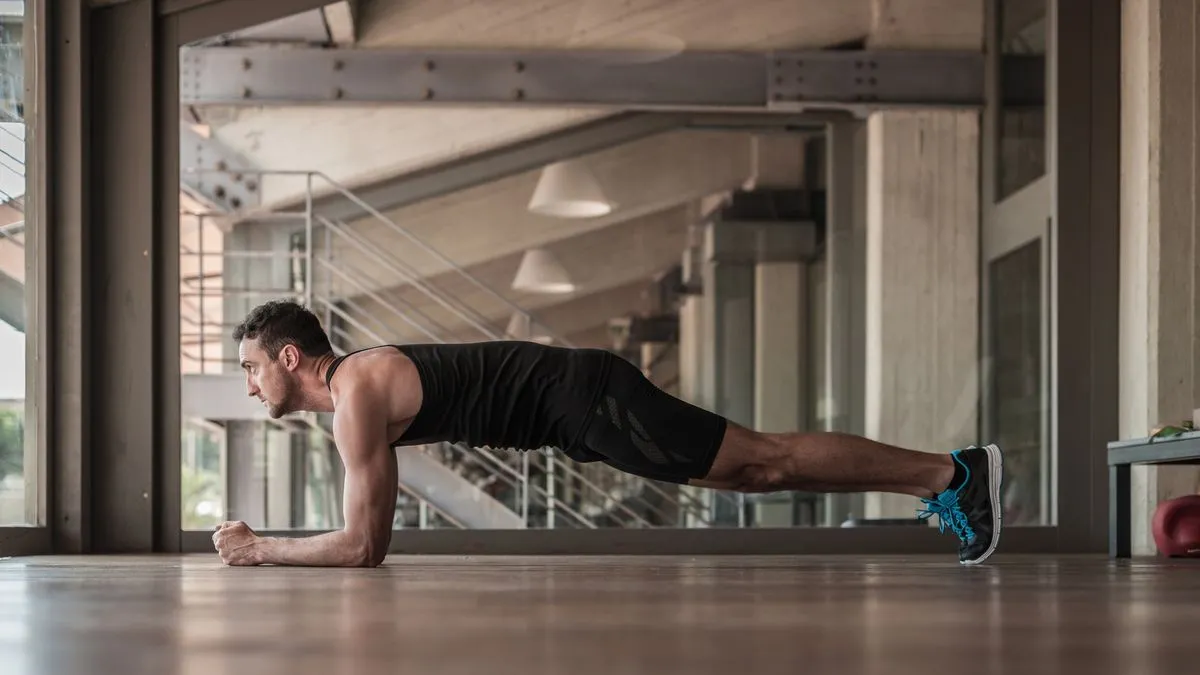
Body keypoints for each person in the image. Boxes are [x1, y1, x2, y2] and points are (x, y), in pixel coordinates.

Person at [212, 300, 1004, 567]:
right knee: (756, 470)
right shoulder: (356, 389)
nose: (249, 383)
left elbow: (364, 547)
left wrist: (261, 549)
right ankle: (945, 478)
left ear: (290, 357)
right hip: (578, 411)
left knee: (762, 463)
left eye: (252, 366)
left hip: (586, 401)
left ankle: (952, 473)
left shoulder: (356, 393)